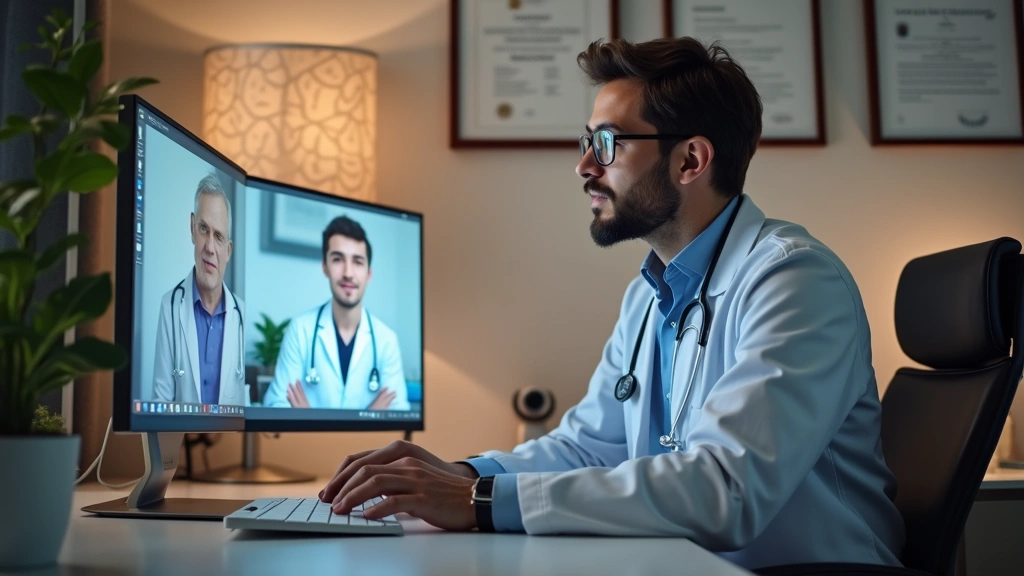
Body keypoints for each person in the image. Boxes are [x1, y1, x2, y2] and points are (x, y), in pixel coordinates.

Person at [316, 37, 908, 569]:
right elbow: (589, 445)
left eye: (606, 143)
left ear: (690, 161)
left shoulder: (794, 281)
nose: (583, 166)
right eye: (586, 142)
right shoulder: (650, 296)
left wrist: (477, 502)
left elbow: (727, 489)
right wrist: (462, 474)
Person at [263, 216, 408, 411]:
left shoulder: (386, 340)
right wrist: (370, 415)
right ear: (325, 267)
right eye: (338, 259)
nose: (348, 273)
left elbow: (397, 411)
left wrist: (308, 416)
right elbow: (276, 404)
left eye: (358, 261)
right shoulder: (300, 330)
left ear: (369, 274)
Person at [153, 175, 246, 406]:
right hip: (183, 442)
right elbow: (161, 402)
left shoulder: (243, 314)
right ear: (192, 228)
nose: (210, 248)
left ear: (228, 250)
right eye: (204, 229)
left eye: (219, 236)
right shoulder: (170, 306)